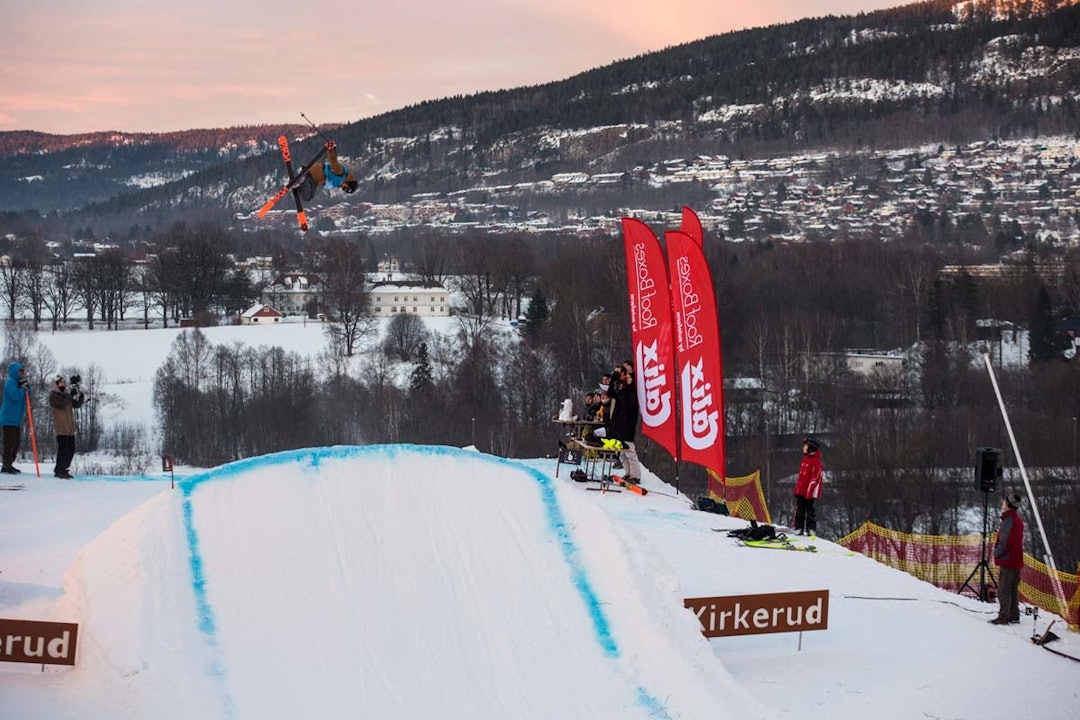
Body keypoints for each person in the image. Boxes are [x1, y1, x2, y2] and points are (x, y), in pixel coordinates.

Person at [990, 492, 1025, 625]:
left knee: (1004, 589)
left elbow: (1005, 542)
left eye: (1004, 501)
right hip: (1016, 560)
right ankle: (1013, 615)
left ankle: (1004, 616)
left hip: (1008, 560)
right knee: (1013, 589)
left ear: (1009, 504)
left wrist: (996, 553)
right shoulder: (1018, 520)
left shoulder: (1008, 521)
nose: (1002, 503)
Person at [48, 374, 86, 479]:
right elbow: (61, 405)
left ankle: (64, 469)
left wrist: (80, 395)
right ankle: (59, 469)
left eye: (64, 383)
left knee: (71, 449)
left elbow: (76, 404)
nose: (63, 385)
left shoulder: (65, 396)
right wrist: (70, 395)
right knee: (63, 450)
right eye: (61, 383)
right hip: (61, 428)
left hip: (69, 428)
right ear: (56, 385)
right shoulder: (53, 396)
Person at [0, 362, 29, 474]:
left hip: (16, 420)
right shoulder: (10, 382)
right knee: (10, 442)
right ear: (15, 372)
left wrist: (27, 387)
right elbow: (14, 396)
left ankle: (10, 463)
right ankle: (6, 464)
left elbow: (28, 396)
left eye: (23, 372)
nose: (21, 374)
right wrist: (22, 389)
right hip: (9, 418)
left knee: (16, 442)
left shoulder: (18, 383)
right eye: (20, 371)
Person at [793, 436, 824, 536]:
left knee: (810, 511)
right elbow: (801, 477)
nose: (803, 448)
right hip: (801, 491)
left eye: (805, 446)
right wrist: (797, 490)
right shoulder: (805, 460)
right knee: (799, 510)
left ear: (810, 448)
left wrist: (809, 492)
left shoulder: (816, 461)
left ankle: (811, 529)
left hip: (809, 492)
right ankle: (799, 528)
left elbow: (815, 479)